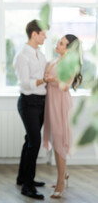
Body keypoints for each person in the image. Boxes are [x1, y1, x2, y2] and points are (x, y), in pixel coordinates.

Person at [43, 34, 82, 199]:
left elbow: (66, 86)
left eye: (61, 43)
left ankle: (60, 182)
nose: (57, 44)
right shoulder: (52, 61)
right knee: (54, 137)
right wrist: (49, 78)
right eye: (58, 42)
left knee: (60, 141)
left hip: (61, 105)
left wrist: (52, 79)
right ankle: (63, 174)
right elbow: (46, 78)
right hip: (51, 103)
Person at [13, 19, 47, 200]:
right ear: (34, 34)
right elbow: (25, 83)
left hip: (41, 101)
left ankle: (22, 177)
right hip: (28, 102)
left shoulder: (40, 54)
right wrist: (45, 79)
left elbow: (44, 76)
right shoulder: (22, 56)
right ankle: (28, 186)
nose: (45, 37)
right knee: (35, 142)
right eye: (43, 34)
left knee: (29, 141)